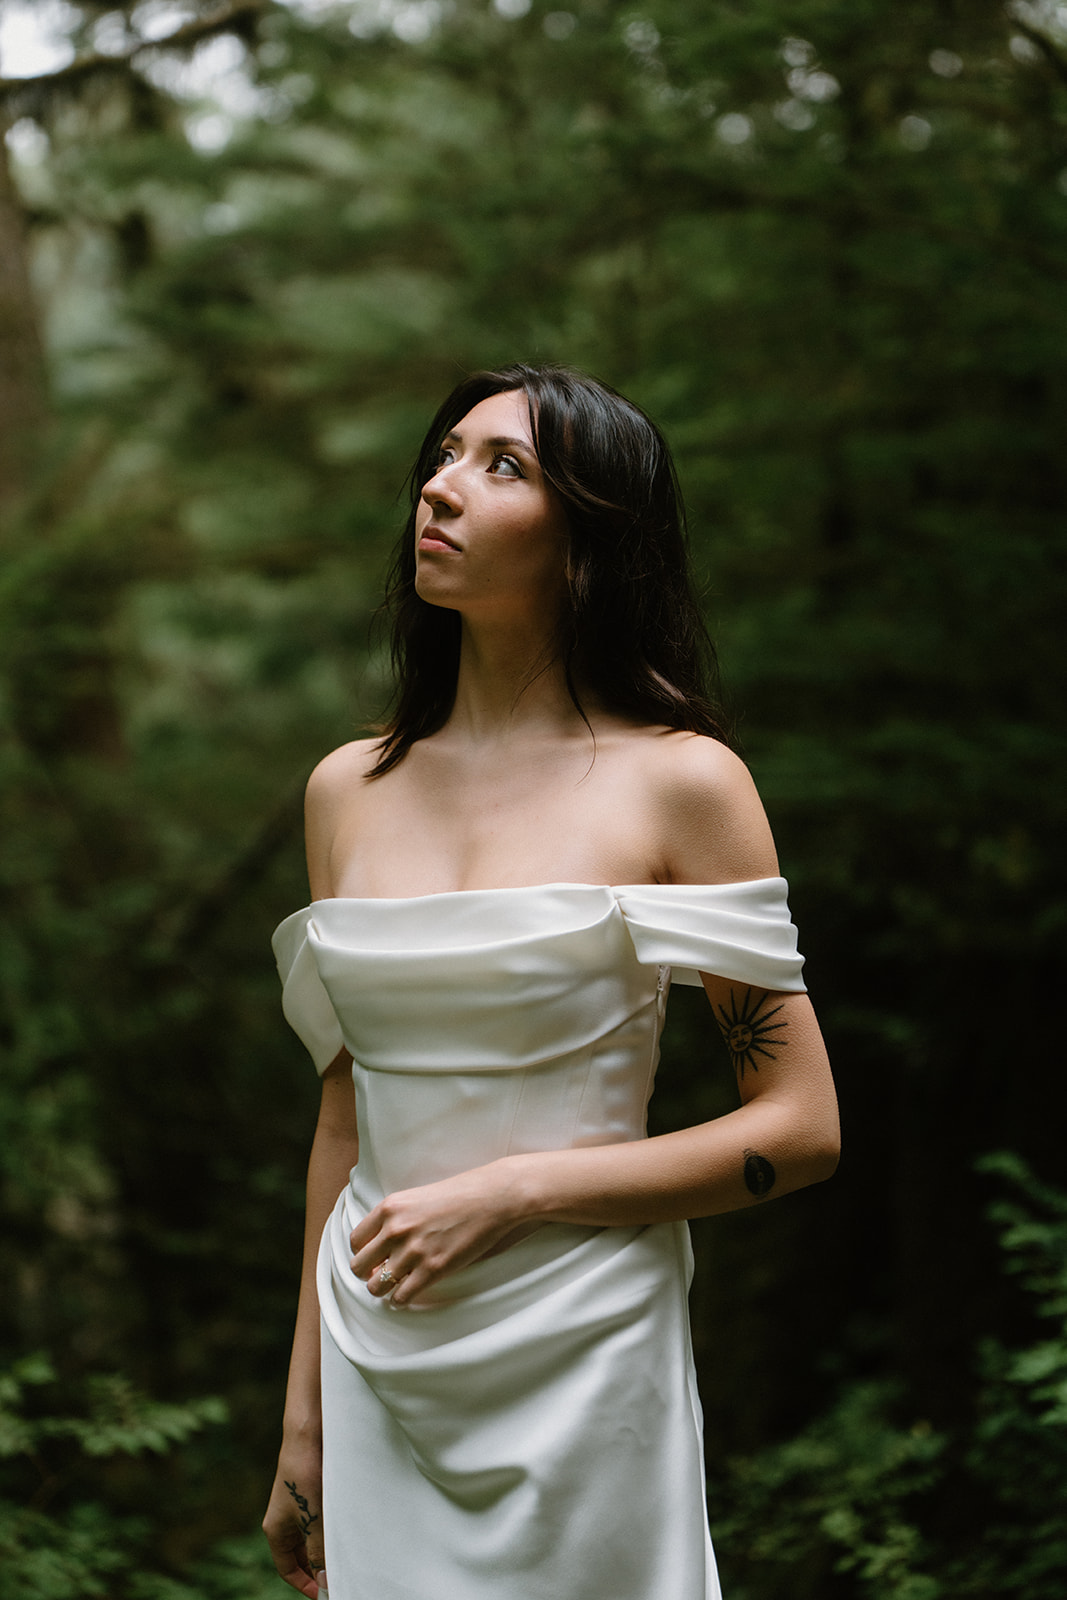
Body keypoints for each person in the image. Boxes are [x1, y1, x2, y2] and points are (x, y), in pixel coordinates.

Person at [262, 364, 839, 1600]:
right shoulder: (344, 789)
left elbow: (799, 1128)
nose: (440, 487)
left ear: (589, 540)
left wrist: (516, 1190)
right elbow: (343, 1118)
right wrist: (302, 1421)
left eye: (501, 466)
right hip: (379, 1343)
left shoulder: (682, 783)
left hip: (585, 1349)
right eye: (442, 456)